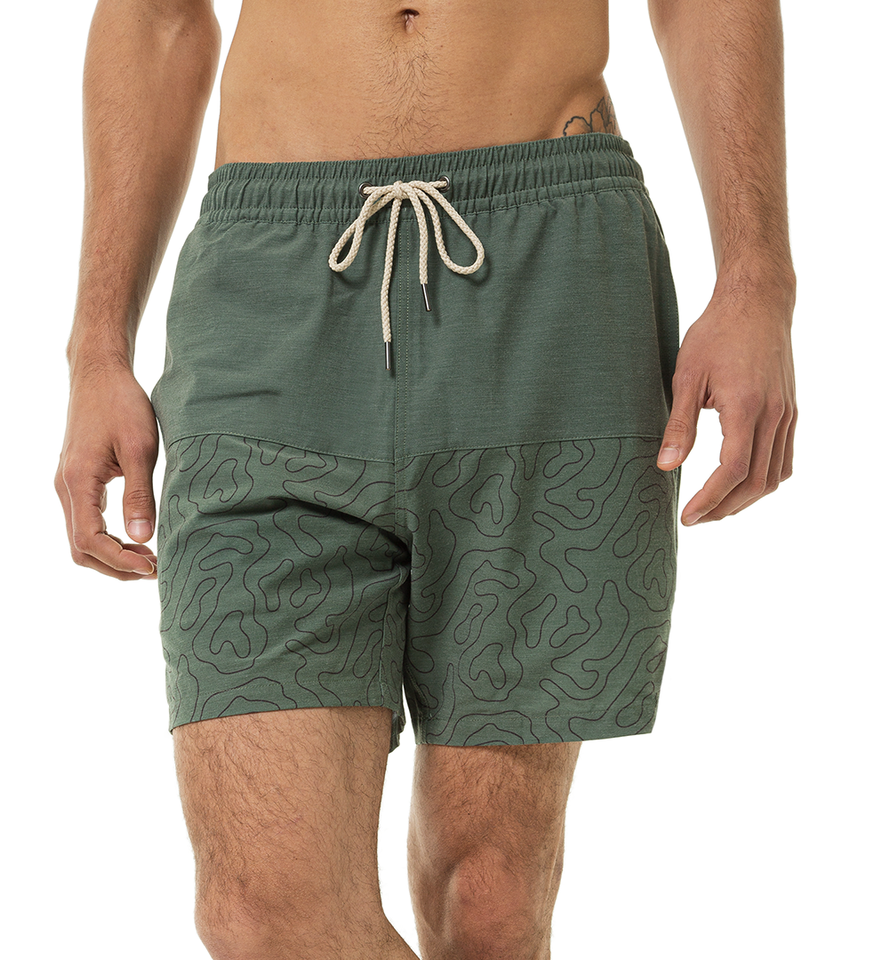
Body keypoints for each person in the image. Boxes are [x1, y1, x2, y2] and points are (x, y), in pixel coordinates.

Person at [55, 1, 797, 958]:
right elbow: (157, 16)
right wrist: (96, 348)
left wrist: (757, 279)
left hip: (550, 267)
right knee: (260, 910)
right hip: (268, 288)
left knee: (489, 898)